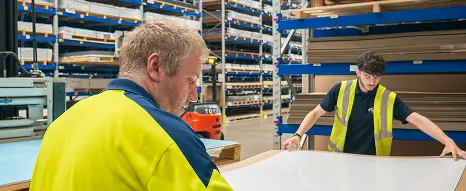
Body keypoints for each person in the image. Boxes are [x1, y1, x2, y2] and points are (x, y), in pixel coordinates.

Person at [30, 20, 233, 190]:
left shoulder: (60, 125)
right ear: (155, 67)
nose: (194, 96)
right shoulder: (163, 132)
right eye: (190, 80)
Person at [282, 51, 466, 160]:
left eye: (376, 76)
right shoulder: (341, 90)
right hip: (339, 158)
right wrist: (298, 135)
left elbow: (418, 120)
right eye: (368, 76)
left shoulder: (388, 98)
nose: (372, 82)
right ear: (358, 73)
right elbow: (315, 113)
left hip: (374, 162)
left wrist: (448, 141)